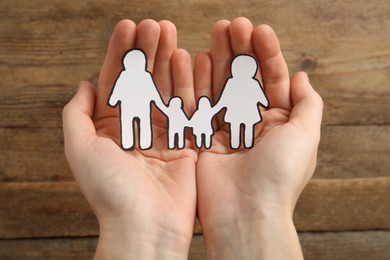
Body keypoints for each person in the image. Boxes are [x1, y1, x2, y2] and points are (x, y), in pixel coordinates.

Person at [62, 17, 323, 259]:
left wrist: (193, 110)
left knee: (140, 127)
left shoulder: (143, 77)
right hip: (185, 112)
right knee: (139, 128)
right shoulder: (141, 77)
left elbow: (158, 96)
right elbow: (160, 97)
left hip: (183, 112)